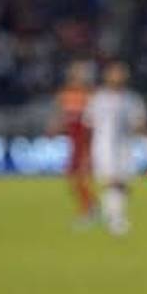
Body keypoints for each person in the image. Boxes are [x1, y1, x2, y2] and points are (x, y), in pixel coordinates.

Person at [86, 62, 147, 235]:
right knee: (111, 181)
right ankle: (116, 219)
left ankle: (112, 214)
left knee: (123, 183)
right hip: (103, 146)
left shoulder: (132, 99)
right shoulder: (98, 99)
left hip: (125, 146)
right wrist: (85, 151)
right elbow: (89, 124)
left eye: (121, 73)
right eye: (115, 73)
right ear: (107, 76)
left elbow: (139, 122)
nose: (119, 76)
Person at [48, 61, 96, 228]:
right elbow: (61, 116)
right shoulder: (65, 95)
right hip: (73, 143)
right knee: (73, 177)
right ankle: (90, 207)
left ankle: (89, 210)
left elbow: (93, 122)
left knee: (80, 176)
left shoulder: (89, 95)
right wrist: (54, 128)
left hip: (85, 143)